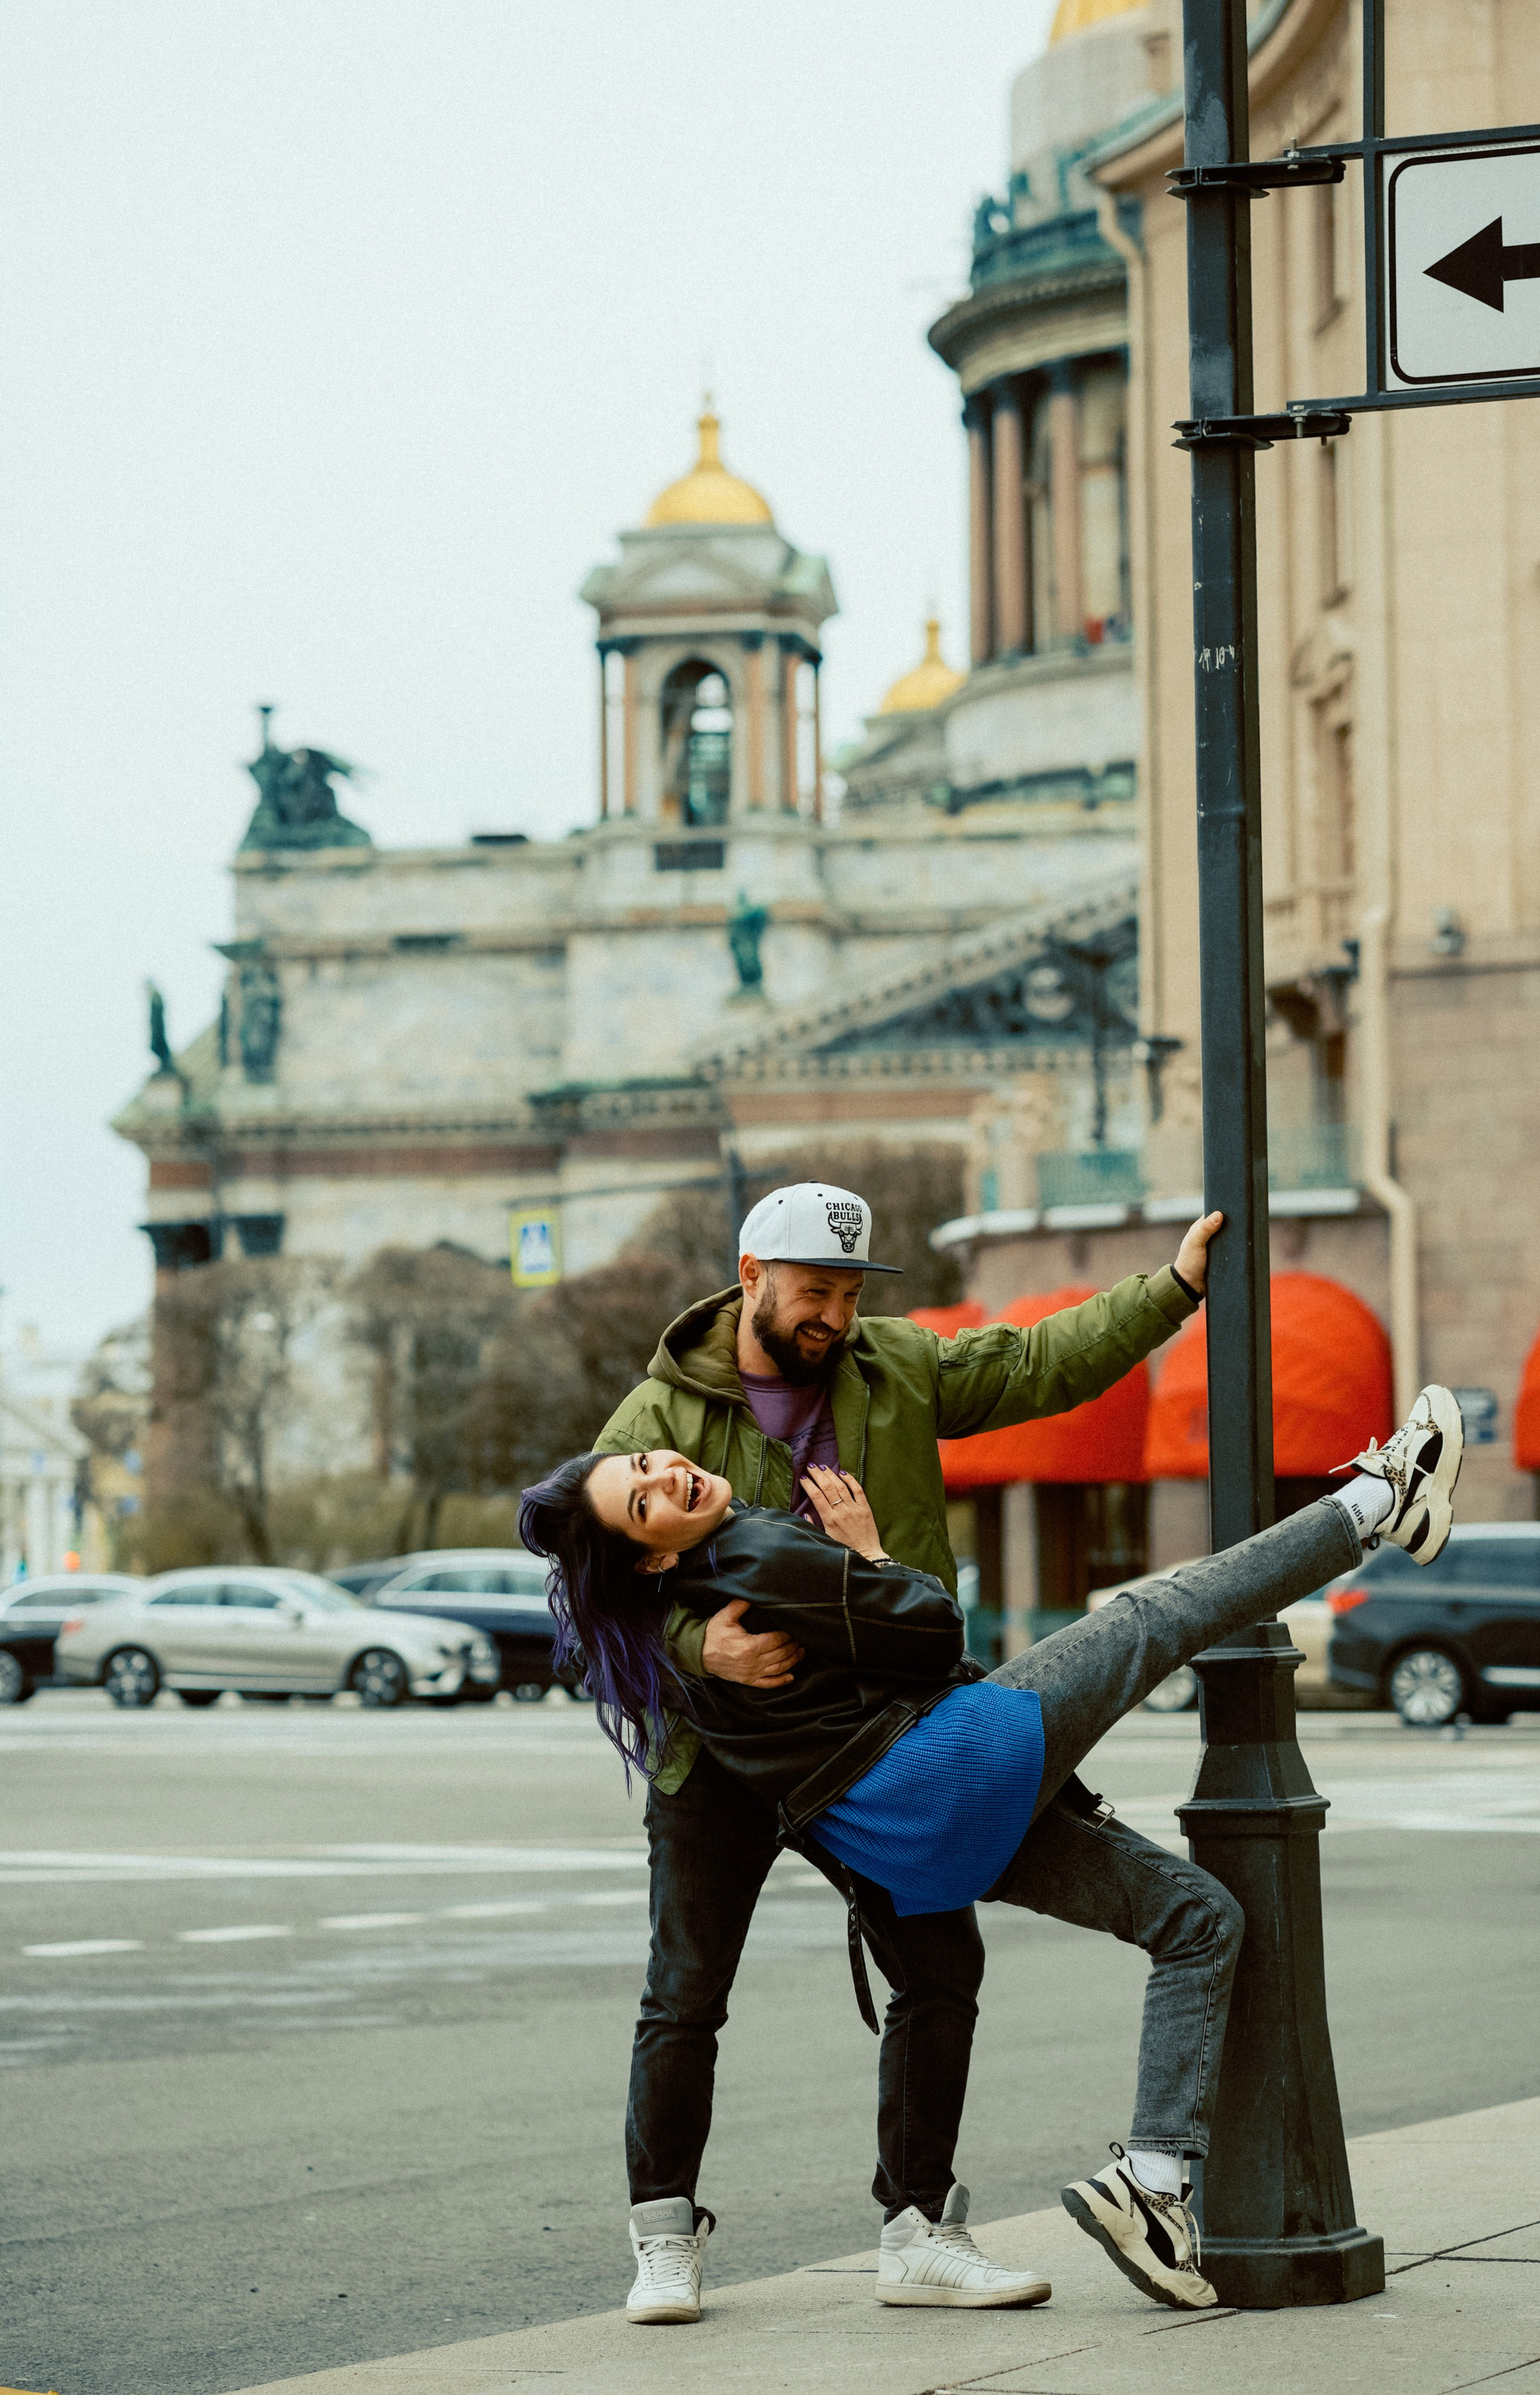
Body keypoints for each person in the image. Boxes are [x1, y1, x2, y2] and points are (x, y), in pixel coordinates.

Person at [522, 1378, 1464, 2320]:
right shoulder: (756, 1543)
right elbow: (935, 1634)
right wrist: (867, 1551)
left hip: (916, 1839)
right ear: (646, 1557)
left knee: (1197, 1916)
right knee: (1157, 1617)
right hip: (953, 1765)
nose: (668, 1475)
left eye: (650, 1464)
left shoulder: (662, 1635)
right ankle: (1379, 1496)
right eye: (642, 1496)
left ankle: (1153, 2182)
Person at [585, 1179, 1218, 2320]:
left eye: (848, 1291)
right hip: (720, 1756)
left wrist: (1170, 1291)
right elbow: (594, 1605)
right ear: (750, 1278)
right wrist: (702, 1651)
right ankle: (663, 2238)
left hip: (881, 1749)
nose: (832, 1313)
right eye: (812, 1291)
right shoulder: (657, 1416)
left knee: (940, 1973)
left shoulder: (897, 1368)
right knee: (686, 1994)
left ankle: (919, 2228)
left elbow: (1036, 1365)